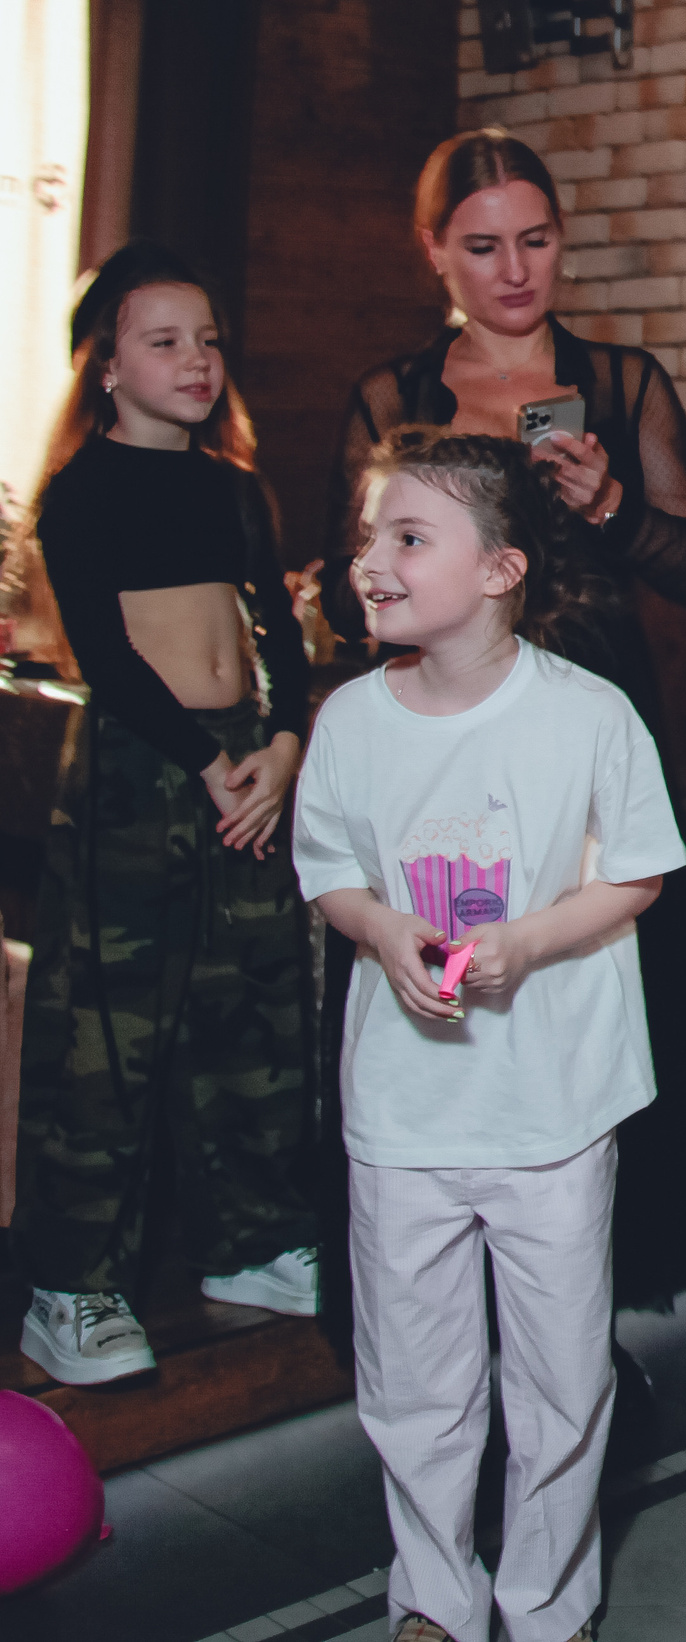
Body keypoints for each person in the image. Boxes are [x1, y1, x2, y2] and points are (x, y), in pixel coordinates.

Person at [293, 429, 685, 1642]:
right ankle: (436, 1597)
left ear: (502, 567)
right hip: (406, 1111)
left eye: (409, 537)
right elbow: (329, 874)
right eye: (369, 537)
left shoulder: (589, 716)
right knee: (416, 1383)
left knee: (561, 1383)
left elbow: (638, 878)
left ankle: (548, 1600)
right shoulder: (351, 717)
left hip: (551, 1107)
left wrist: (528, 943)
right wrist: (378, 927)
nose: (374, 562)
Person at [15, 242, 321, 1386]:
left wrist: (282, 746)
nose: (195, 361)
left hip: (245, 763)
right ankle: (72, 1285)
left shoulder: (234, 488)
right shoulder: (81, 494)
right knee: (110, 1030)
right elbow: (106, 657)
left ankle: (251, 1243)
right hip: (143, 770)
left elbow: (278, 641)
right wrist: (206, 760)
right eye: (164, 341)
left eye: (207, 340)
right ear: (106, 364)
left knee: (255, 1008)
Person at [318, 128, 686, 733]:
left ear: (560, 234)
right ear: (435, 250)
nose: (516, 271)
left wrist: (610, 505)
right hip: (446, 711)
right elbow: (343, 603)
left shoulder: (625, 383)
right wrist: (413, 555)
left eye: (536, 241)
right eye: (483, 248)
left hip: (596, 703)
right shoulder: (393, 398)